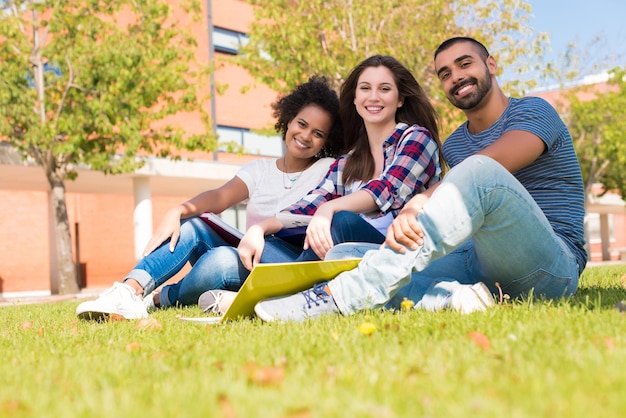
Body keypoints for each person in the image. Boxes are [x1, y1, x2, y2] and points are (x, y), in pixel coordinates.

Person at [254, 37, 588, 322]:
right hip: (481, 262)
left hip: (551, 265)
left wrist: (419, 201)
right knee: (346, 253)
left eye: (464, 64)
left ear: (492, 64)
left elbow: (493, 167)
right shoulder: (456, 143)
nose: (456, 77)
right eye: (445, 74)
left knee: (479, 171)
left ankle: (341, 296)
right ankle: (447, 298)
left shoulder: (533, 111)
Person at [75, 75, 344, 320]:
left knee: (222, 261)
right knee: (192, 225)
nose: (306, 136)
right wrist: (177, 211)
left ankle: (161, 298)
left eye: (318, 133)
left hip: (283, 263)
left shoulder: (327, 168)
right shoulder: (259, 170)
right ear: (288, 119)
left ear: (326, 141)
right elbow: (219, 197)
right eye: (302, 124)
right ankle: (128, 292)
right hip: (247, 254)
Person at [236, 55, 443, 275]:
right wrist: (259, 229)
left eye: (384, 89)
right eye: (365, 88)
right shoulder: (347, 161)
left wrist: (330, 208)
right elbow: (311, 203)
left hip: (398, 255)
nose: (373, 97)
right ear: (355, 98)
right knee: (264, 246)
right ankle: (284, 286)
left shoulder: (417, 139)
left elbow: (386, 189)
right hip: (346, 260)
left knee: (342, 221)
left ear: (400, 99)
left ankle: (287, 289)